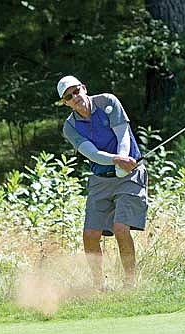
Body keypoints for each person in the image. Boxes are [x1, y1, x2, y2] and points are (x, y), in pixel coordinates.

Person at [57, 75, 148, 290]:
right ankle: (99, 287)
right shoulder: (70, 127)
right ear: (65, 103)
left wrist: (124, 159)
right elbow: (92, 153)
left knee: (120, 228)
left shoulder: (108, 101)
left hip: (129, 174)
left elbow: (123, 134)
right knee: (90, 235)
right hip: (100, 179)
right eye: (69, 97)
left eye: (76, 91)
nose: (75, 97)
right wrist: (116, 160)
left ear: (84, 88)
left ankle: (130, 283)